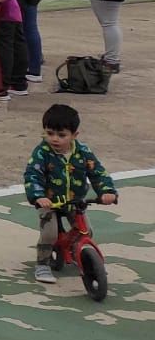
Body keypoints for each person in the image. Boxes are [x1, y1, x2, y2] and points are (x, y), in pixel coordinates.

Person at [23, 102, 118, 284]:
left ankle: (76, 253)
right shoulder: (42, 153)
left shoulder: (82, 152)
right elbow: (32, 175)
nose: (55, 139)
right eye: (49, 134)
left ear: (74, 135)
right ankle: (42, 264)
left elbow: (97, 172)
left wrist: (107, 191)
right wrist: (39, 196)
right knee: (49, 234)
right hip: (49, 202)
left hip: (75, 201)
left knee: (86, 230)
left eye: (61, 135)